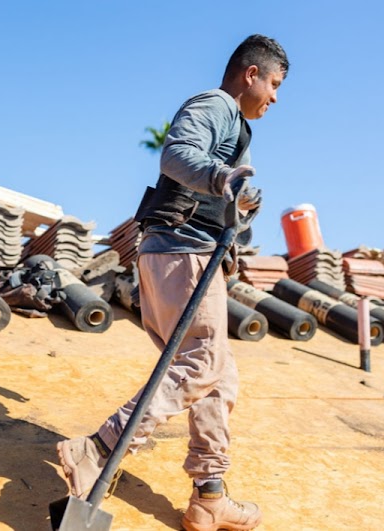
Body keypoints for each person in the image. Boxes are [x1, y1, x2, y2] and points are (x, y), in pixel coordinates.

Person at [56, 34, 289, 531]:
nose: (274, 97)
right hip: (183, 251)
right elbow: (177, 155)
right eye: (273, 84)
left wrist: (241, 203)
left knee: (217, 378)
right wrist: (224, 180)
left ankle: (209, 495)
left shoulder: (236, 127)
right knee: (203, 364)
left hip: (184, 252)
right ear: (251, 73)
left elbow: (216, 190)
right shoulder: (216, 105)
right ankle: (98, 448)